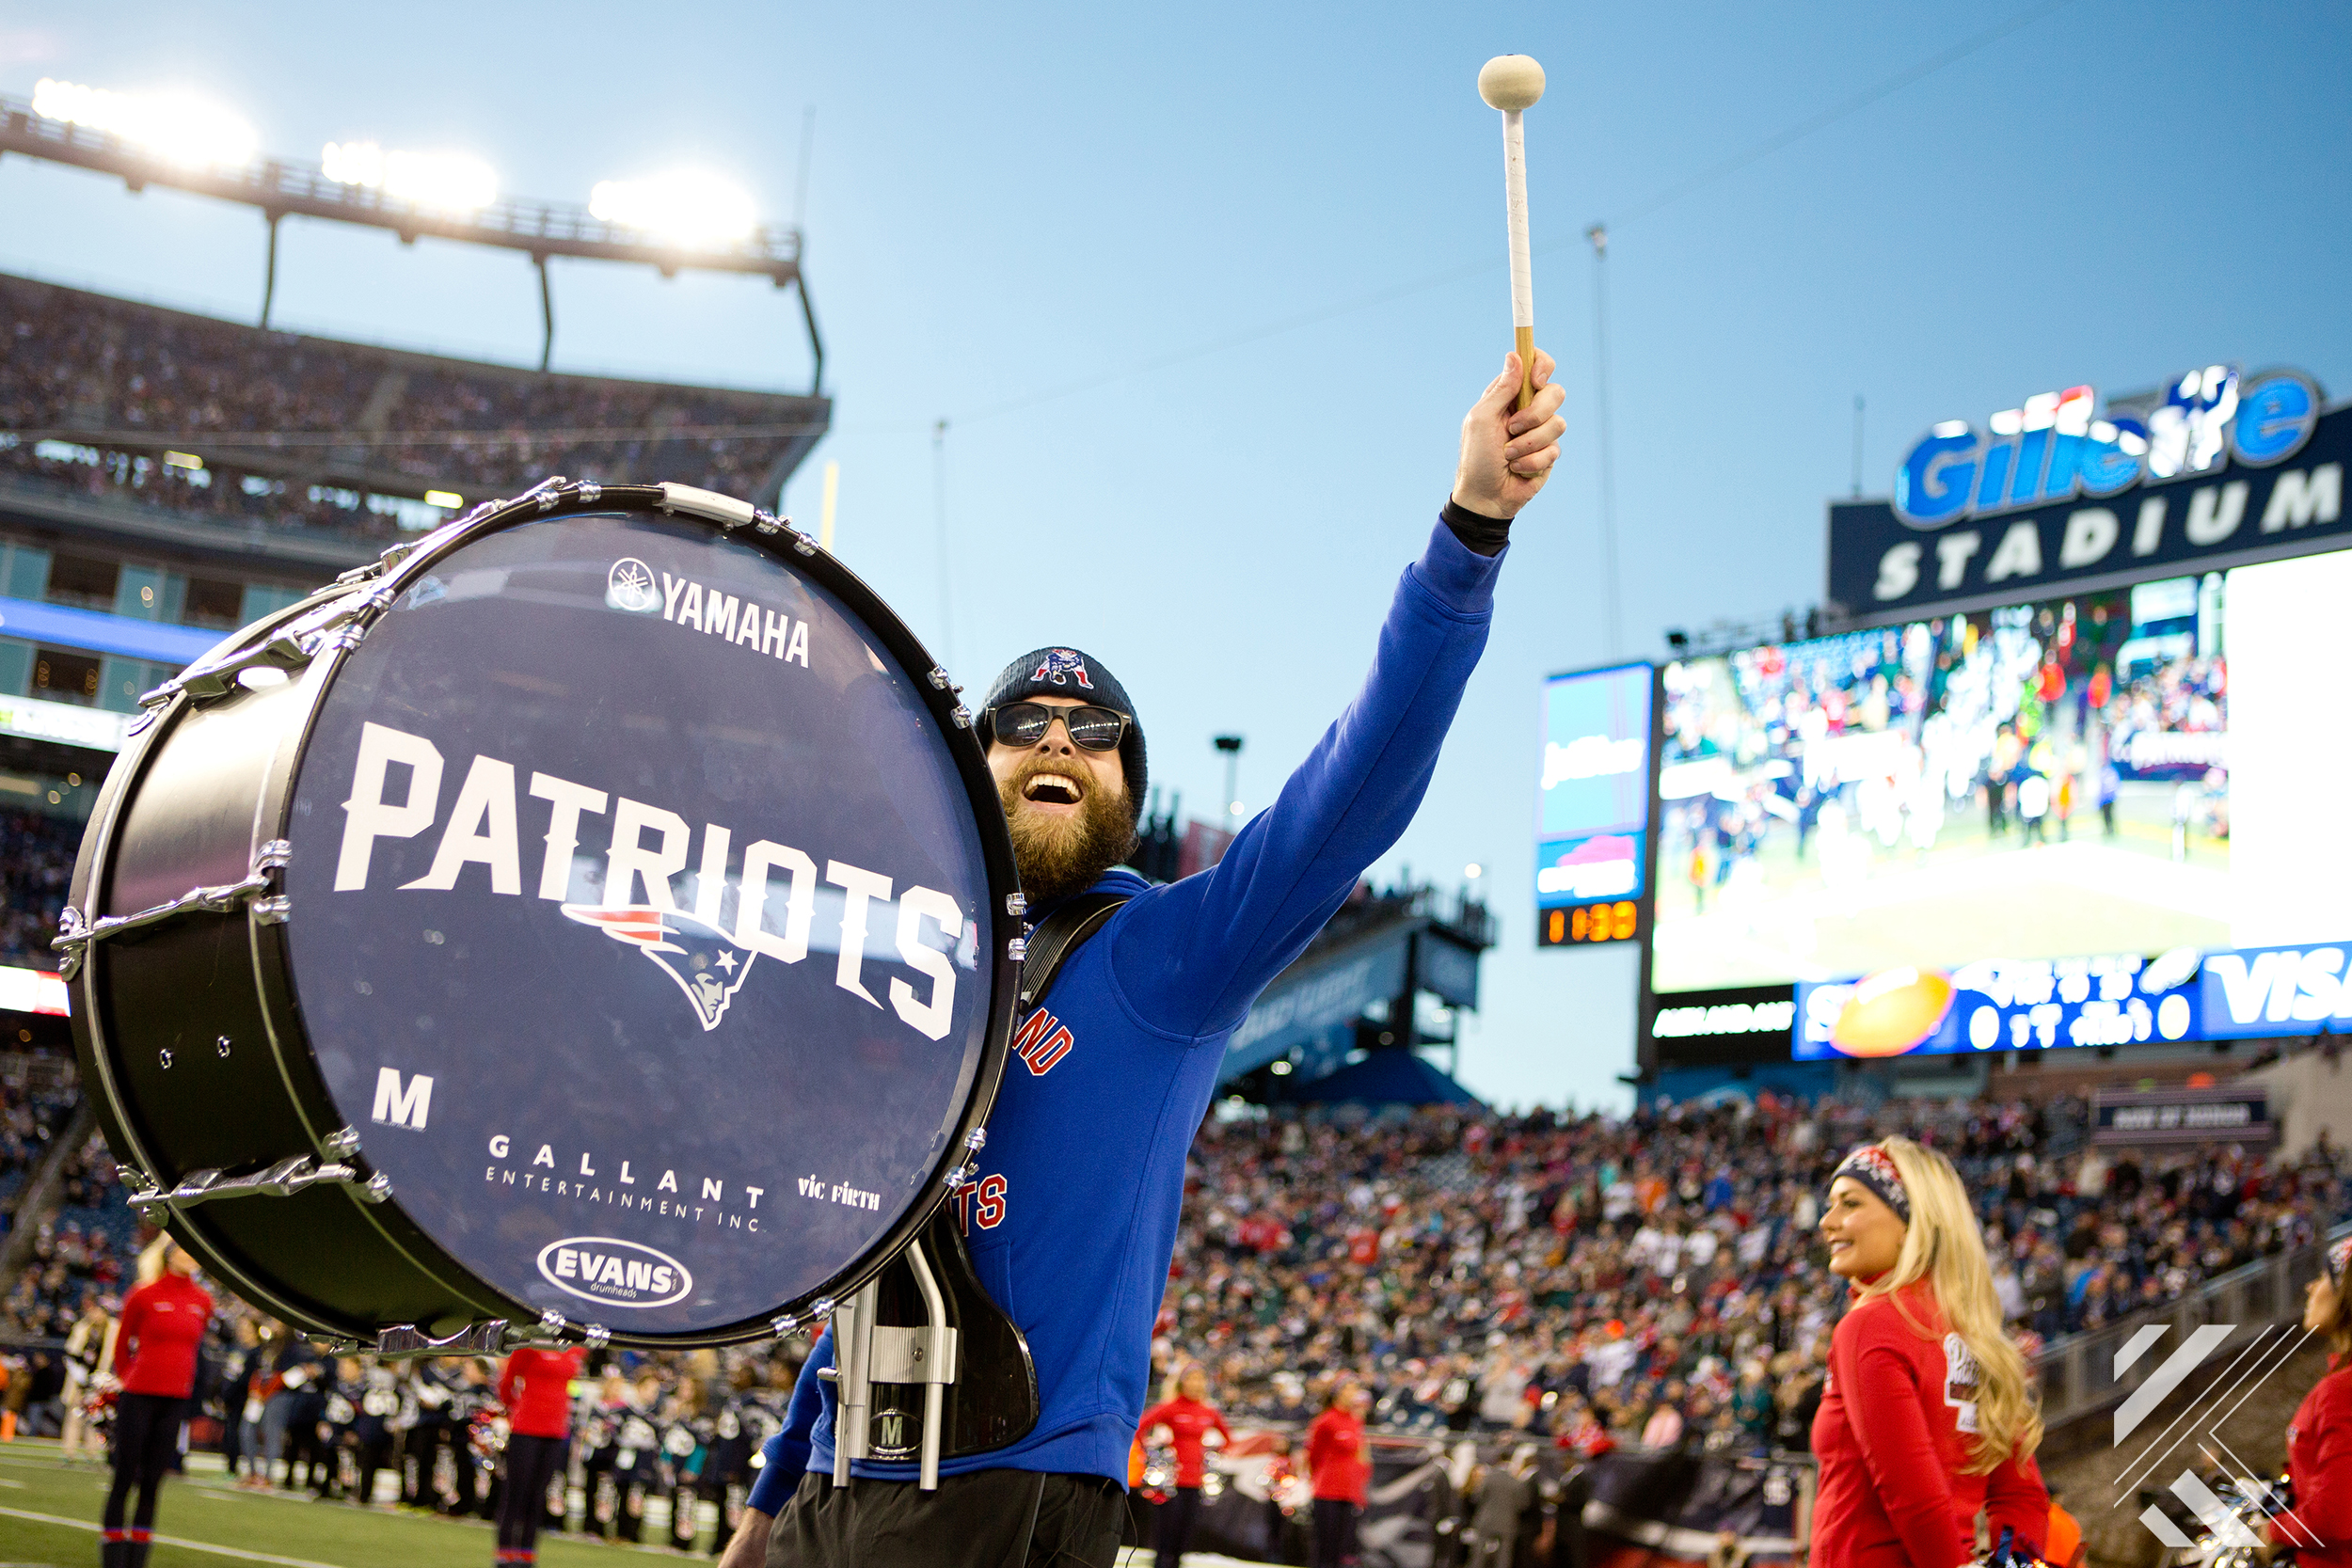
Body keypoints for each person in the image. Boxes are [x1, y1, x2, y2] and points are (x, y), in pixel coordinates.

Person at [723, 349, 1566, 1568]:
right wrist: (772, 1498)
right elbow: (892, 1254)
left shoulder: (1166, 954)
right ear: (977, 765)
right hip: (839, 1487)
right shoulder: (932, 979)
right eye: (1021, 722)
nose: (1056, 733)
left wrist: (1470, 529)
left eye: (1096, 731)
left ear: (1129, 791)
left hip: (1007, 1497)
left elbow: (1360, 783)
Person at [1810, 1139, 2048, 1568]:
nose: (1828, 1221)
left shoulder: (1870, 1326)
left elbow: (1912, 1499)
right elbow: (2023, 1495)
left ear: (1911, 1223)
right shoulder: (1976, 1335)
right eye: (1831, 1204)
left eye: (1850, 1203)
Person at [101, 1240, 213, 1568]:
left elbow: (192, 1348)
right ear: (169, 1255)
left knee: (153, 1481)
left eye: (194, 1252)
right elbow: (122, 1345)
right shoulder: (143, 1294)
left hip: (175, 1399)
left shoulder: (203, 1301)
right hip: (139, 1397)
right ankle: (112, 1555)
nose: (190, 1256)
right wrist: (129, 1377)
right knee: (124, 1476)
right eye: (184, 1250)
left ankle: (138, 1559)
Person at [494, 1340, 584, 1566]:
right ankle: (505, 1551)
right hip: (526, 1429)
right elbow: (508, 1381)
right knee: (516, 1491)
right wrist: (514, 1408)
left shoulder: (576, 1349)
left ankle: (527, 1552)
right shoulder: (530, 1345)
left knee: (538, 1493)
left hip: (555, 1432)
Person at [1138, 1362, 1234, 1568]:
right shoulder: (1170, 1408)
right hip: (1171, 1483)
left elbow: (1228, 1440)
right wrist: (1152, 1454)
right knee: (1166, 1532)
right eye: (1192, 1378)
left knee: (1186, 1532)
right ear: (1182, 1382)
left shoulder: (1208, 1412)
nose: (1196, 1383)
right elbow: (1141, 1429)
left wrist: (1213, 1456)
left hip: (1195, 1482)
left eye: (1201, 1379)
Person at [1306, 1380, 1373, 1568]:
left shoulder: (1356, 1420)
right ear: (1338, 1393)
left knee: (1343, 1549)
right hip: (1327, 1491)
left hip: (1349, 1492)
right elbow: (1313, 1455)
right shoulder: (1325, 1421)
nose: (1354, 1393)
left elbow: (1361, 1454)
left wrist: (1360, 1484)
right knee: (1325, 1546)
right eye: (1350, 1389)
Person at [60, 1294, 113, 1464]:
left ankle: (92, 1453)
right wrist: (79, 1374)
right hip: (79, 1382)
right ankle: (69, 1452)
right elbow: (71, 1353)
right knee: (74, 1417)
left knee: (96, 1419)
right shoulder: (82, 1328)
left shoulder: (113, 1330)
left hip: (100, 1382)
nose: (95, 1315)